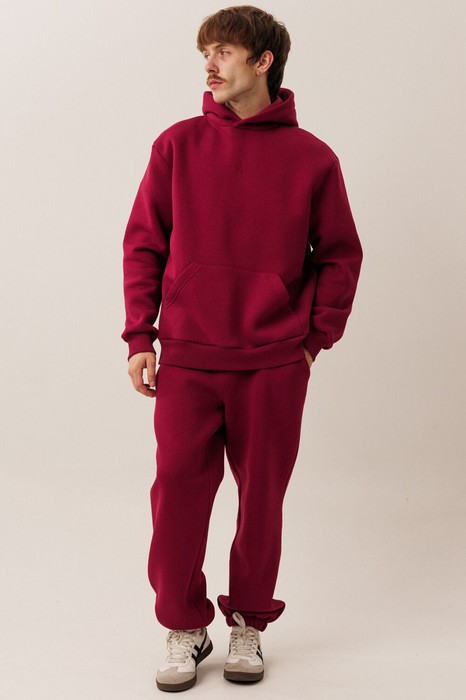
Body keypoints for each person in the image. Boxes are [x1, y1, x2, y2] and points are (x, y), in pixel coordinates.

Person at [121, 4, 363, 693]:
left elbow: (339, 255)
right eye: (206, 52)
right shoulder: (177, 145)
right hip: (189, 359)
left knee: (261, 503)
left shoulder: (313, 158)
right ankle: (184, 626)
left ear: (263, 62)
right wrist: (141, 334)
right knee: (176, 498)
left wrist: (313, 340)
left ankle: (248, 624)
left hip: (274, 362)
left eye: (224, 52)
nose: (210, 65)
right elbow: (144, 243)